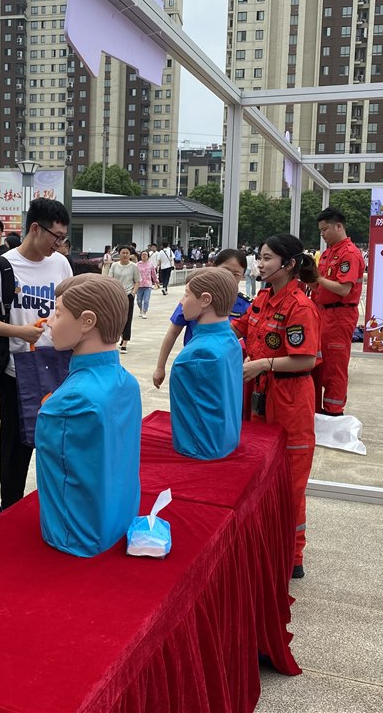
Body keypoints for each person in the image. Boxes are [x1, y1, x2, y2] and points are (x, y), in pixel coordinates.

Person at [0, 197, 73, 508]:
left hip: (58, 368)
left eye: (63, 238)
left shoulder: (60, 264)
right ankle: (10, 510)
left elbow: (71, 306)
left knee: (57, 445)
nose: (59, 244)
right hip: (17, 372)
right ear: (35, 228)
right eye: (56, 236)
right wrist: (20, 332)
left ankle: (54, 506)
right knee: (16, 449)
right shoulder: (1, 267)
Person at [232, 233, 320, 579]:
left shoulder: (300, 307)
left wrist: (262, 364)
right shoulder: (263, 298)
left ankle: (292, 555)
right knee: (263, 474)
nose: (260, 263)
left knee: (290, 482)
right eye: (260, 257)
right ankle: (266, 546)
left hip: (290, 399)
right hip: (262, 395)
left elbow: (305, 359)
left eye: (268, 258)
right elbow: (240, 328)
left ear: (290, 264)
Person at [36, 274, 141, 557]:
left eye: (58, 313)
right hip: (120, 517)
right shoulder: (127, 382)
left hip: (78, 535)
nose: (48, 322)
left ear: (87, 321)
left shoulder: (72, 399)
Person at [168, 268, 243, 461]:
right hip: (227, 438)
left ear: (205, 300)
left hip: (201, 447)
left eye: (187, 295)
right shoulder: (229, 339)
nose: (182, 302)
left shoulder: (199, 353)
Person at [152, 249, 249, 389]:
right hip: (194, 365)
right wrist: (160, 367)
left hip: (225, 371)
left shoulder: (246, 306)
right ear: (213, 268)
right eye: (225, 271)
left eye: (236, 274)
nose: (229, 277)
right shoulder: (192, 300)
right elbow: (173, 332)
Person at [312, 207, 364, 416]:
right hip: (323, 313)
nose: (322, 234)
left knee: (335, 365)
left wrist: (318, 279)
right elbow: (319, 285)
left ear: (338, 226)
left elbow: (343, 289)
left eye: (325, 230)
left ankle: (334, 410)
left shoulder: (349, 253)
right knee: (320, 362)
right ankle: (319, 407)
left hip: (340, 315)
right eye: (320, 230)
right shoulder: (328, 253)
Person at [109, 245, 139, 352]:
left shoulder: (134, 266)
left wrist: (133, 293)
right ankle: (120, 336)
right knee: (116, 318)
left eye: (127, 253)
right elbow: (110, 280)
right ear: (119, 254)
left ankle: (125, 341)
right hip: (116, 295)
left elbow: (137, 281)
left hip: (128, 295)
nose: (125, 255)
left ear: (130, 254)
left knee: (127, 318)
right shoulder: (114, 265)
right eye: (123, 253)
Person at [135, 250, 159, 318]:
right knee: (139, 300)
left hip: (148, 285)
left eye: (145, 255)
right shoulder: (137, 264)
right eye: (143, 254)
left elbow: (153, 274)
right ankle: (141, 309)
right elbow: (134, 274)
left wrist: (156, 281)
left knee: (146, 300)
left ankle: (144, 312)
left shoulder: (150, 264)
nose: (144, 256)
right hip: (139, 285)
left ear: (148, 256)